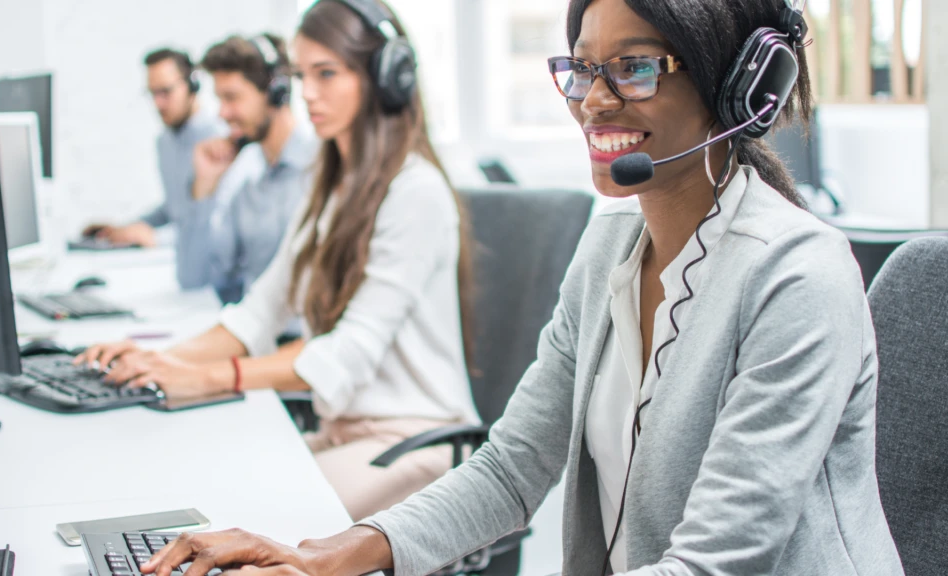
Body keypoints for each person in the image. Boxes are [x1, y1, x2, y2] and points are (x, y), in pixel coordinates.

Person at [137, 0, 907, 575]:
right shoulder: (611, 244)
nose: (593, 100)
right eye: (581, 67)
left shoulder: (797, 276)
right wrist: (322, 557)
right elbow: (512, 468)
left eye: (635, 67)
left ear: (738, 88)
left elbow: (714, 562)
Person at [77, 0, 480, 523]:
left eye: (326, 74)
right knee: (195, 490)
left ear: (387, 78)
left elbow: (345, 354)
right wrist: (158, 360)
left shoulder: (414, 192)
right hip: (344, 432)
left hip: (415, 440)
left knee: (253, 525)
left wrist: (207, 378)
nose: (306, 92)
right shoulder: (331, 185)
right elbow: (259, 313)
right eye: (300, 75)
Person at [83, 48, 228, 290]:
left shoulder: (219, 141)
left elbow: (216, 223)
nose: (158, 103)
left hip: (213, 284)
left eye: (165, 92)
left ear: (192, 86)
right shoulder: (165, 143)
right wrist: (129, 228)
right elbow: (175, 207)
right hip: (185, 280)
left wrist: (155, 238)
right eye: (152, 94)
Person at [196, 34, 318, 304]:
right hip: (260, 338)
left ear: (276, 92)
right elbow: (212, 279)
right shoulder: (246, 185)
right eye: (220, 99)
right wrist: (206, 188)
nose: (223, 113)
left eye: (232, 98)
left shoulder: (321, 171)